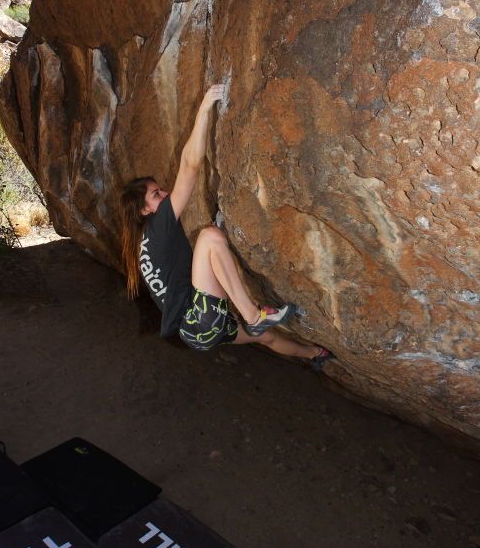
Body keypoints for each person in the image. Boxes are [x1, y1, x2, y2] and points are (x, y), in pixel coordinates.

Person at [121, 84, 333, 369]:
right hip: (198, 320)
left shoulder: (146, 244)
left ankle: (315, 356)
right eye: (157, 194)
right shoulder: (158, 226)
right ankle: (253, 315)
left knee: (265, 338)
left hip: (196, 333)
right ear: (145, 210)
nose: (167, 194)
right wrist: (204, 108)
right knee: (209, 237)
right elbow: (189, 166)